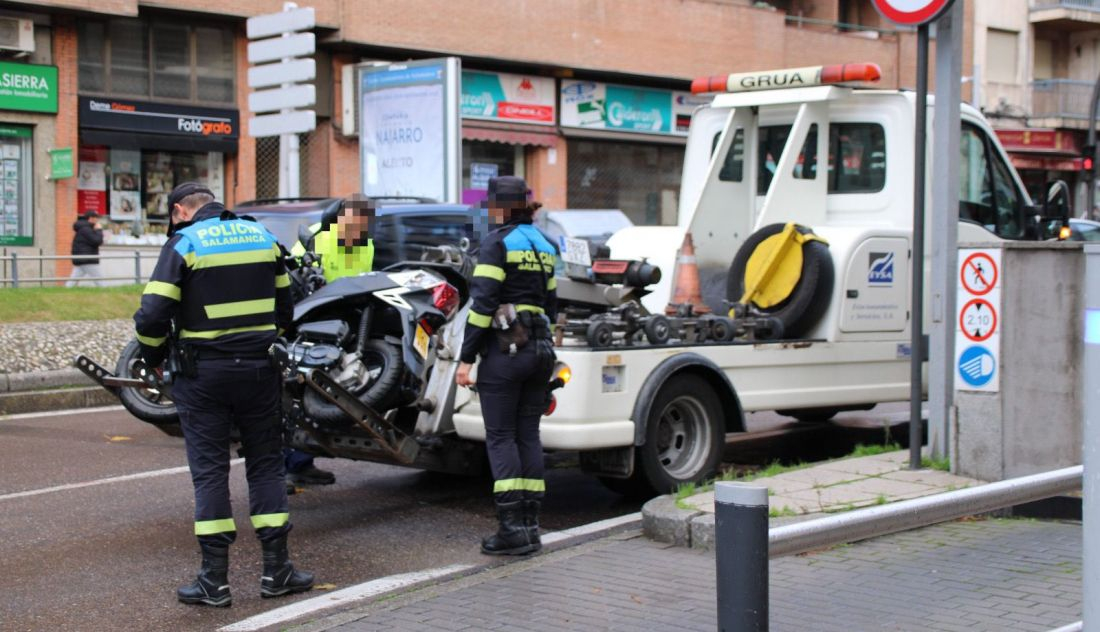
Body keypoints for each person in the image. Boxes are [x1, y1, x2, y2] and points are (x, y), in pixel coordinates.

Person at [134, 182, 314, 607]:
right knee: (267, 466)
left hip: (203, 376)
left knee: (211, 471)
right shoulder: (262, 238)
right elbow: (286, 309)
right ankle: (277, 571)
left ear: (180, 210)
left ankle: (214, 582)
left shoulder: (186, 243)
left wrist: (153, 354)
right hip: (258, 372)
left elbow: (153, 313)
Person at [455, 176, 558, 556]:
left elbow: (483, 306)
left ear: (498, 207)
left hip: (506, 352)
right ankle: (530, 527)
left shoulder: (496, 244)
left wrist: (466, 358)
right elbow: (552, 305)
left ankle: (510, 529)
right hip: (541, 351)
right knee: (528, 434)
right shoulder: (545, 245)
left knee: (500, 437)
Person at [283, 197, 378, 491]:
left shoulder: (367, 245)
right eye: (353, 223)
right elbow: (289, 275)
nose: (358, 230)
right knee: (293, 394)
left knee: (321, 396)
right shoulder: (316, 237)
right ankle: (278, 470)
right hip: (306, 319)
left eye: (363, 224)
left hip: (339, 325)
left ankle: (300, 464)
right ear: (338, 220)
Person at [67, 211, 104, 286]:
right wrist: (99, 230)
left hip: (82, 257)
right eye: (96, 218)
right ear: (91, 218)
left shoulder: (84, 228)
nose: (97, 220)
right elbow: (97, 241)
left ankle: (65, 291)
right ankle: (107, 293)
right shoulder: (86, 229)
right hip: (87, 258)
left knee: (73, 279)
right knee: (100, 280)